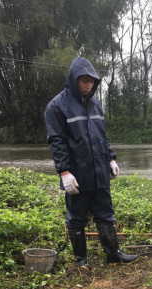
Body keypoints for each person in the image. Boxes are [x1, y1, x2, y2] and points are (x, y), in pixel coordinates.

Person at [44, 57, 139, 269]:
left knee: (105, 213)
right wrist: (64, 172)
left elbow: (101, 136)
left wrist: (110, 158)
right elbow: (57, 142)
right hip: (77, 174)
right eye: (84, 81)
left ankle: (113, 255)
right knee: (77, 217)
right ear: (74, 80)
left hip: (99, 171)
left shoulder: (95, 104)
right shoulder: (56, 106)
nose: (88, 85)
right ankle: (81, 261)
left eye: (91, 82)